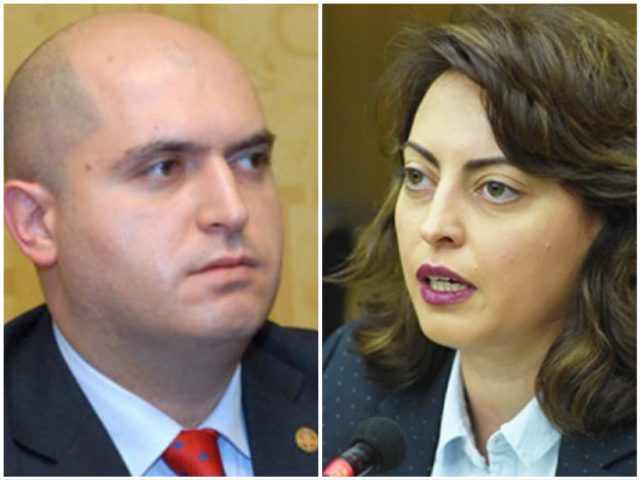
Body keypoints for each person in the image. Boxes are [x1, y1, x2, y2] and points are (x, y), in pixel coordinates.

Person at [323, 5, 635, 476]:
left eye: (496, 189)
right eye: (418, 176)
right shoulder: (348, 373)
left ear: (609, 215)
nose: (434, 226)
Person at [4, 12, 317, 476]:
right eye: (165, 168)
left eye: (251, 160)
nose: (233, 210)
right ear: (37, 224)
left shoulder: (346, 392)